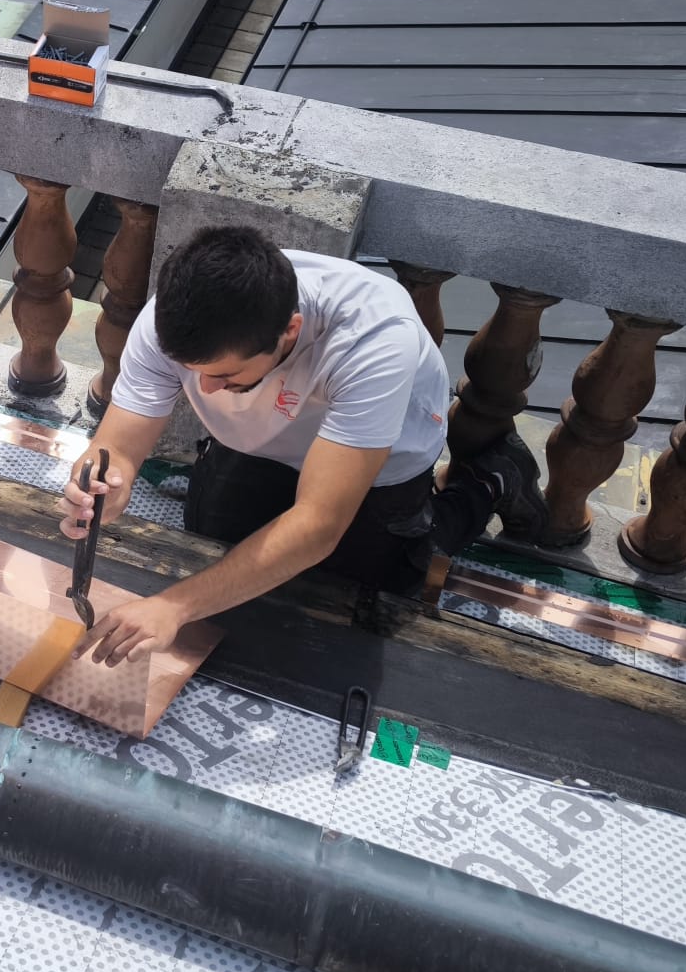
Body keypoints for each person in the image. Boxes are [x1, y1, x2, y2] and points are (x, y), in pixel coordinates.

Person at [59, 224, 544, 667]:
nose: (203, 391)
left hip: (380, 459)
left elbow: (317, 524)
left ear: (289, 330)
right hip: (262, 438)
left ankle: (485, 481)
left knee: (371, 583)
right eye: (194, 371)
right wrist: (104, 484)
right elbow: (117, 449)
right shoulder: (173, 319)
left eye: (223, 375)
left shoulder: (372, 340)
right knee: (212, 538)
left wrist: (173, 606)